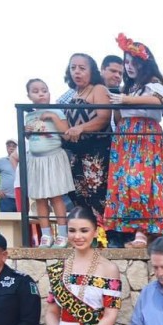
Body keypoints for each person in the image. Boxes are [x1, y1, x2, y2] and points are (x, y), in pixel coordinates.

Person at [106, 34, 163, 248]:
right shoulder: (129, 87)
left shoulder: (152, 84)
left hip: (144, 135)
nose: (129, 66)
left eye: (133, 62)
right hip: (125, 137)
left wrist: (127, 100)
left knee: (142, 183)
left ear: (143, 63)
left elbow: (159, 100)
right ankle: (129, 231)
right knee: (125, 184)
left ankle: (143, 232)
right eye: (126, 62)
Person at [23, 78, 74, 248]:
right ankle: (46, 235)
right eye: (36, 91)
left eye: (44, 90)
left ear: (49, 93)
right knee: (40, 198)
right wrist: (27, 132)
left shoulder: (57, 111)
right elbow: (29, 137)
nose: (41, 94)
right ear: (29, 95)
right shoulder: (28, 115)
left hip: (52, 157)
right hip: (36, 160)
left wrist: (52, 116)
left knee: (56, 197)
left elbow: (66, 133)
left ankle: (62, 234)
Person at [60, 53, 112, 217]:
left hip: (96, 152)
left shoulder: (98, 89)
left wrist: (81, 128)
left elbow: (104, 118)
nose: (77, 72)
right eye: (73, 68)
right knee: (79, 196)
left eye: (82, 68)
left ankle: (105, 235)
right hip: (76, 153)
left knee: (98, 194)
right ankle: (87, 232)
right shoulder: (72, 94)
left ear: (92, 71)